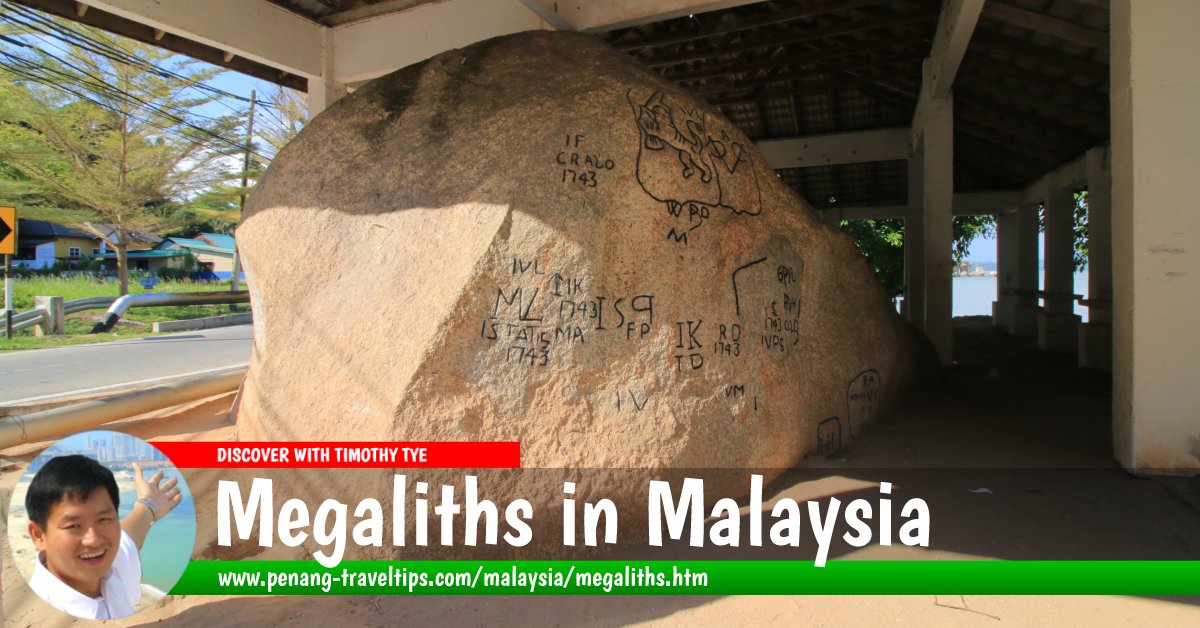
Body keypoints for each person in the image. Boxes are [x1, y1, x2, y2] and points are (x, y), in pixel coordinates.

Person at [25, 454, 182, 619]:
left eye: (103, 519)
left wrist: (149, 504)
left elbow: (128, 538)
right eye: (73, 526)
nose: (93, 540)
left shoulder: (109, 568)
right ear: (38, 535)